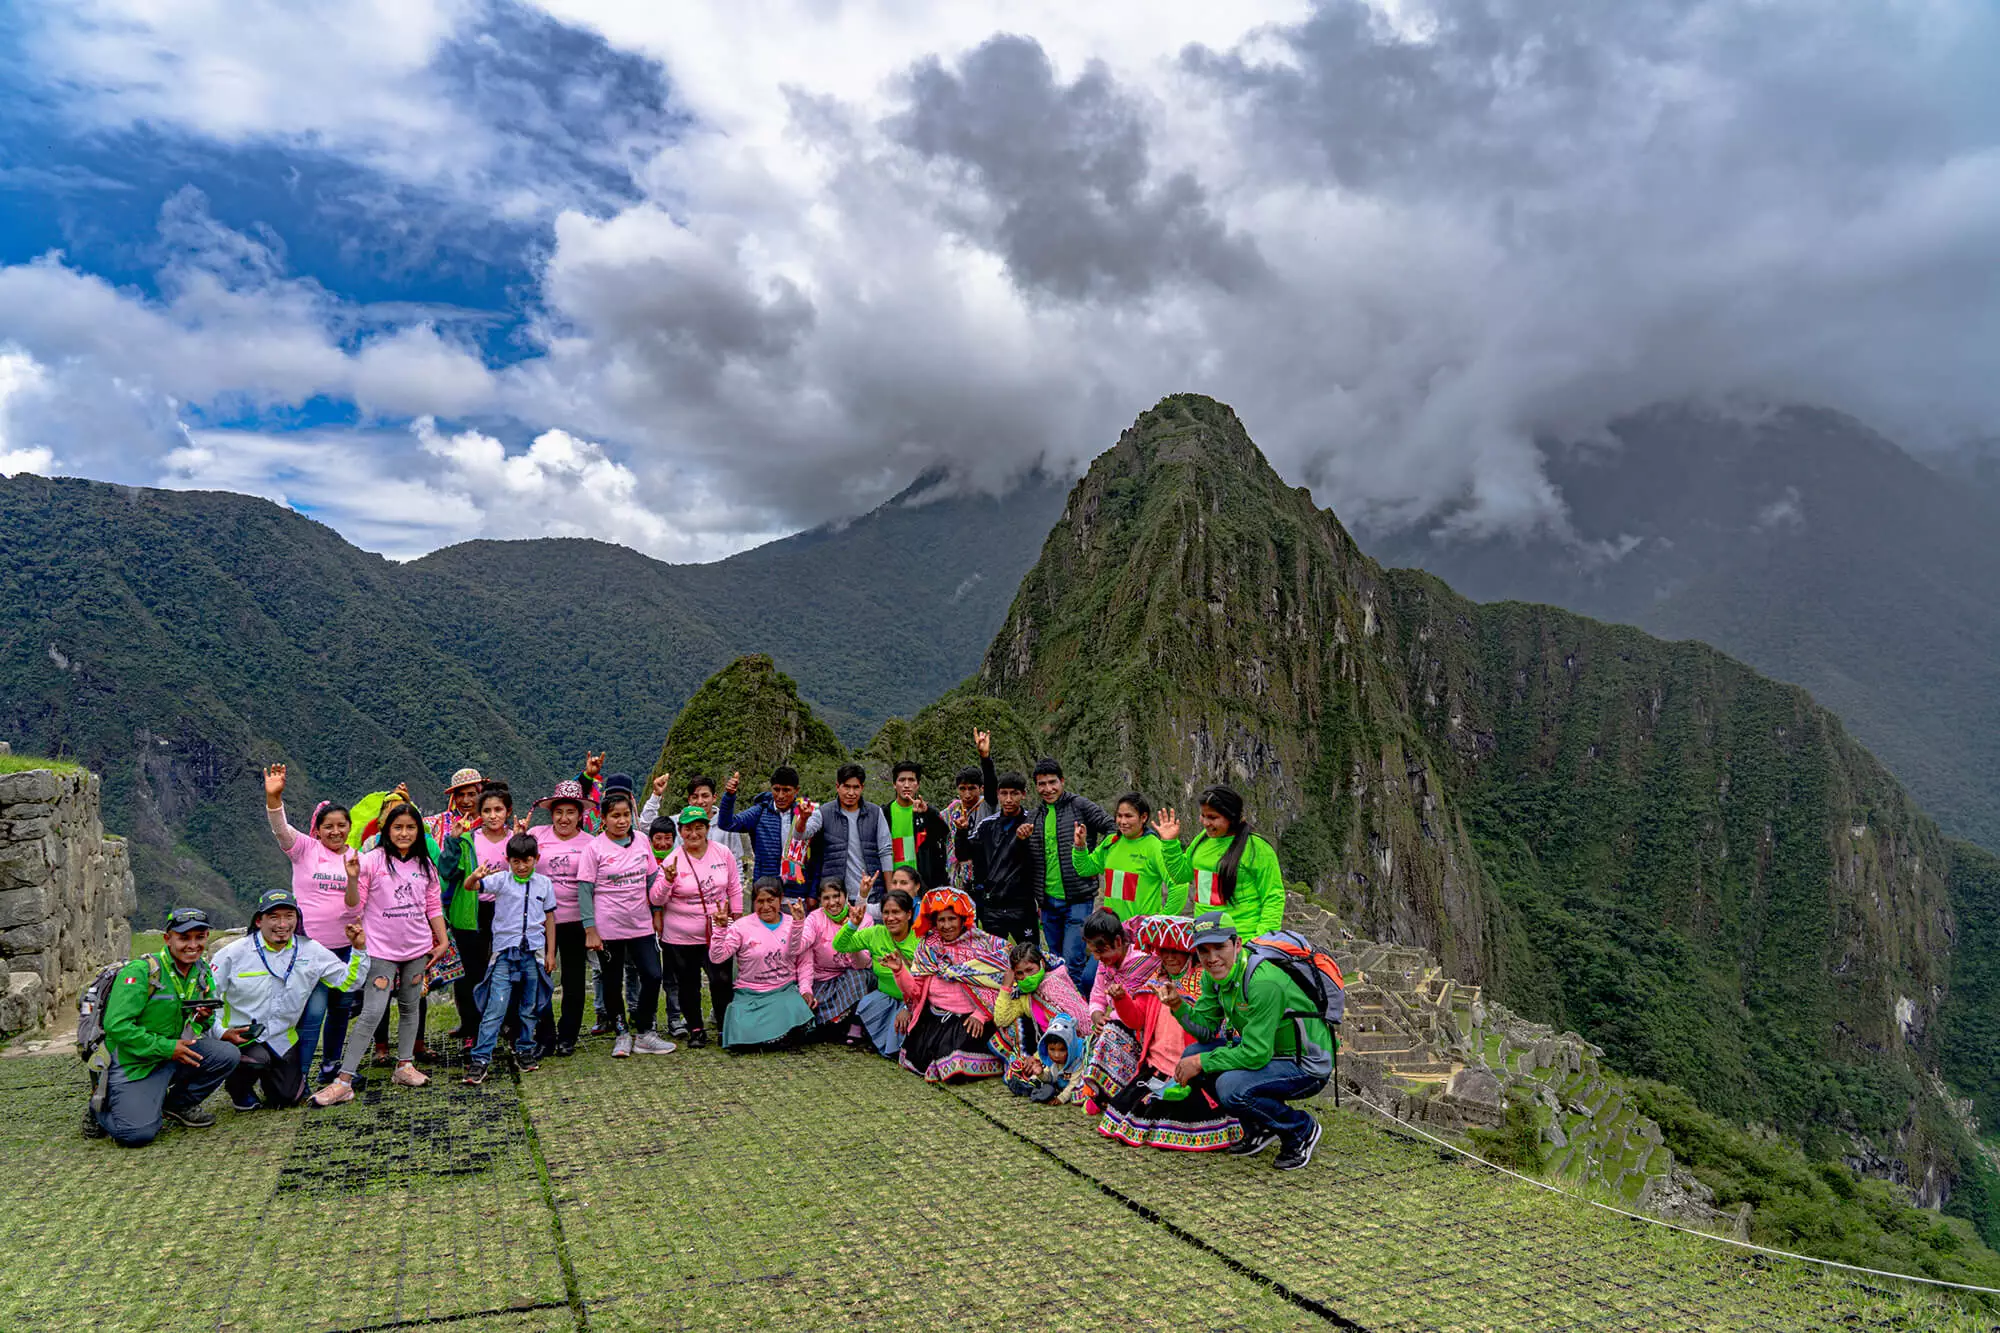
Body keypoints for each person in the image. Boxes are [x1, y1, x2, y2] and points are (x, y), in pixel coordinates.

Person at [1165, 912, 1333, 1171]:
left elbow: (1255, 1054)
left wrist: (1202, 1061)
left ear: (1237, 944)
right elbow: (1207, 1032)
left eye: (1220, 947)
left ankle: (1300, 1129)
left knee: (1231, 1087)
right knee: (1193, 1053)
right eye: (1203, 951)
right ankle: (1258, 1129)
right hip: (1269, 1052)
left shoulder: (1263, 982)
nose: (1212, 959)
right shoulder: (1213, 977)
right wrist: (1177, 1005)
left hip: (1305, 1064)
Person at [311, 802, 449, 1106]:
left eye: (410, 827)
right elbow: (353, 906)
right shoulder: (371, 861)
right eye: (397, 827)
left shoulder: (425, 865)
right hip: (381, 950)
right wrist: (351, 878)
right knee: (372, 1012)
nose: (404, 833)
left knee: (411, 1006)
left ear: (419, 831)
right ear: (386, 830)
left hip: (417, 948)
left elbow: (433, 906)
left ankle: (404, 1065)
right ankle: (344, 1080)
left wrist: (442, 940)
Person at [85, 907, 239, 1146]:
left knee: (226, 1055)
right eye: (184, 938)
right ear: (168, 939)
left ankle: (178, 1105)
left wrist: (201, 1018)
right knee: (137, 1135)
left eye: (200, 937)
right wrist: (168, 1048)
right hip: (134, 1061)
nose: (193, 945)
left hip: (173, 1052)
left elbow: (203, 1023)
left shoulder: (202, 970)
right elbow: (117, 1026)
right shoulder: (141, 972)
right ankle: (100, 1108)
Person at [209, 888, 370, 1111]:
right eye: (273, 917)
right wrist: (221, 1033)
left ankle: (270, 1081)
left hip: (281, 1037)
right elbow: (208, 999)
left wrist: (359, 949)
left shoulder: (310, 951)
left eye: (289, 916)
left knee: (288, 1099)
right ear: (259, 921)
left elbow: (347, 982)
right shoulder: (233, 954)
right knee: (256, 1059)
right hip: (241, 1037)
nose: (282, 924)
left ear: (297, 919)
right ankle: (239, 1090)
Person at [1096, 916, 1241, 1153]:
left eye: (1177, 951)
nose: (1170, 957)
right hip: (1155, 1066)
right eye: (1165, 951)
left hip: (1191, 1066)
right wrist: (1121, 999)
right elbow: (1136, 1020)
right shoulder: (1153, 984)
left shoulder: (1204, 985)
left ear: (1189, 953)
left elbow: (1210, 1029)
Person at [262, 763, 362, 1082]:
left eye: (341, 826)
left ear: (349, 827)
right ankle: (299, 1074)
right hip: (309, 951)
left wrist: (352, 880)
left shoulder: (356, 857)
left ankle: (331, 1065)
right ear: (317, 829)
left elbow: (355, 903)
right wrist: (274, 799)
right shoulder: (305, 849)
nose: (335, 832)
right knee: (313, 1012)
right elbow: (280, 829)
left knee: (340, 1010)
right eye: (328, 826)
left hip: (345, 948)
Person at [463, 834, 559, 1085]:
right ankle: (480, 1059)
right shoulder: (501, 881)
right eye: (516, 861)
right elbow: (470, 887)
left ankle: (524, 1049)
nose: (522, 866)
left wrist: (550, 953)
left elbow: (549, 918)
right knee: (496, 1006)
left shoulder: (544, 884)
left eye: (527, 860)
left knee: (529, 1006)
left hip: (533, 953)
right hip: (505, 953)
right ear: (507, 861)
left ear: (536, 859)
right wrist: (476, 875)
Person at [587, 786, 675, 1057]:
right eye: (615, 815)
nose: (622, 820)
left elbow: (651, 880)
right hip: (609, 926)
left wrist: (663, 892)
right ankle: (621, 1033)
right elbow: (584, 890)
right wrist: (590, 929)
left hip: (640, 923)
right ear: (604, 818)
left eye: (625, 814)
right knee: (612, 981)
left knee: (653, 974)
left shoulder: (640, 840)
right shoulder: (595, 848)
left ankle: (645, 1031)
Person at [890, 888, 1009, 1084]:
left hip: (971, 1019)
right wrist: (899, 971)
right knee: (921, 1059)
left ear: (963, 920)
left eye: (952, 919)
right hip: (936, 1017)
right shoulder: (928, 947)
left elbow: (998, 982)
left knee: (955, 1068)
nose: (946, 926)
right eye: (941, 920)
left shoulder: (983, 944)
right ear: (934, 922)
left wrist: (981, 1015)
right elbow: (915, 991)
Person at [1023, 758, 1115, 992]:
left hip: (1078, 898)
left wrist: (1094, 860)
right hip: (1047, 901)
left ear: (1062, 781)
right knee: (1055, 962)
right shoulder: (1034, 817)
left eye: (1052, 782)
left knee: (1072, 960)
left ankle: (1076, 1017)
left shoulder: (1080, 806)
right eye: (1041, 784)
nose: (1048, 789)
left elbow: (1112, 828)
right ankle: (1064, 1009)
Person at [658, 804, 740, 1048]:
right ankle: (695, 1028)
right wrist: (668, 881)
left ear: (707, 828)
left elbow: (734, 887)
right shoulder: (672, 859)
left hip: (718, 929)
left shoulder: (722, 853)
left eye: (699, 828)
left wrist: (735, 917)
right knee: (687, 983)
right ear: (680, 832)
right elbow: (656, 898)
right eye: (688, 829)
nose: (694, 834)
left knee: (721, 980)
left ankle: (726, 1027)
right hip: (680, 934)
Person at [530, 780, 599, 1057]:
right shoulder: (537, 835)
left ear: (580, 814)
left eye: (570, 812)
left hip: (575, 920)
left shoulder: (591, 844)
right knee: (540, 978)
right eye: (559, 812)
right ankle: (544, 1034)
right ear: (552, 813)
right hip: (540, 920)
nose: (564, 818)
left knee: (572, 980)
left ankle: (567, 1035)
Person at [1159, 787, 1286, 935]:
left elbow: (1273, 896)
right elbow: (1181, 875)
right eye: (1203, 816)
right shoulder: (1202, 840)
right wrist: (1170, 843)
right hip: (1205, 938)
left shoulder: (1256, 847)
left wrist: (1261, 942)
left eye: (1212, 817)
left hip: (1242, 940)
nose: (1205, 823)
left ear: (1231, 817)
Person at [707, 881, 814, 1052]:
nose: (766, 906)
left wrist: (806, 989)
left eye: (771, 900)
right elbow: (717, 957)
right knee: (736, 1014)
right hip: (750, 994)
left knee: (794, 1007)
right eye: (760, 901)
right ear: (754, 902)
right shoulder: (741, 926)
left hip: (783, 991)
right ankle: (771, 1039)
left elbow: (804, 962)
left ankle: (768, 1039)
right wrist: (720, 930)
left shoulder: (795, 923)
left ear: (780, 900)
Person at [450, 781, 518, 1044]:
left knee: (508, 966)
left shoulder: (516, 840)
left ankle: (509, 1022)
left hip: (506, 910)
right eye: (487, 810)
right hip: (474, 910)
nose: (492, 815)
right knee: (471, 971)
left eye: (498, 809)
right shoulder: (469, 840)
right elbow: (450, 870)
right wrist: (453, 843)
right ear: (480, 813)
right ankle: (472, 1025)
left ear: (508, 811)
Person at [1077, 909, 1162, 1109]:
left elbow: (1140, 1009)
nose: (1097, 958)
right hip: (1118, 1023)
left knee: (1111, 1034)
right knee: (1097, 1036)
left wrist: (1111, 1020)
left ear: (1117, 942)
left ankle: (1114, 1092)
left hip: (1144, 1028)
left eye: (1101, 951)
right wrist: (1097, 1015)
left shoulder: (1144, 962)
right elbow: (1098, 995)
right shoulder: (1107, 964)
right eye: (1094, 953)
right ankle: (1100, 1090)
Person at [956, 735, 1037, 943]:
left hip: (1022, 905)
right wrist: (962, 832)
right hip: (992, 905)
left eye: (1014, 794)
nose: (1008, 799)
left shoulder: (1033, 822)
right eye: (1004, 794)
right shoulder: (987, 826)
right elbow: (963, 855)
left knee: (1030, 957)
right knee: (994, 960)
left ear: (1024, 795)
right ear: (998, 795)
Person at [833, 884, 920, 1057]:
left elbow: (926, 982)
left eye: (896, 912)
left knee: (898, 1048)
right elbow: (839, 945)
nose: (890, 918)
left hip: (914, 1001)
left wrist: (908, 1008)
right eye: (886, 913)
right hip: (885, 997)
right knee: (866, 1003)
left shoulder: (919, 939)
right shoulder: (876, 933)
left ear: (908, 914)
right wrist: (852, 924)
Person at [1070, 792, 1178, 924]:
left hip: (1140, 934)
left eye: (1128, 816)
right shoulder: (1111, 842)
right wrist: (1080, 846)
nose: (1122, 821)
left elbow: (1178, 885)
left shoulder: (1154, 847)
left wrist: (1161, 920)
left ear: (1143, 817)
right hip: (1112, 929)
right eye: (1119, 816)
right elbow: (1085, 869)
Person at [787, 879, 875, 1039]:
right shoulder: (814, 919)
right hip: (822, 980)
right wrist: (798, 923)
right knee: (803, 1000)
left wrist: (852, 932)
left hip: (850, 979)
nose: (833, 902)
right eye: (826, 898)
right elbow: (799, 950)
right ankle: (833, 1021)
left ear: (846, 896)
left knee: (861, 978)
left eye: (837, 896)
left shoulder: (864, 919)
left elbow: (862, 964)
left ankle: (847, 1024)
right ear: (820, 900)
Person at [989, 938, 1089, 1077]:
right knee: (1012, 1028)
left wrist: (1038, 1057)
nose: (1026, 977)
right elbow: (1002, 1020)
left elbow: (1069, 1030)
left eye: (1030, 970)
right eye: (1020, 973)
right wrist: (1006, 987)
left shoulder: (1053, 984)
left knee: (1030, 1077)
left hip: (1069, 1046)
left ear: (1041, 964)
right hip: (1048, 1045)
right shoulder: (1024, 993)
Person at [802, 764, 893, 914]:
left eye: (856, 787)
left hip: (871, 894)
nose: (851, 793)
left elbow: (885, 851)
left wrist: (890, 892)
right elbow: (802, 834)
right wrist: (803, 819)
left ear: (862, 787)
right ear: (838, 786)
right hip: (836, 897)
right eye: (846, 787)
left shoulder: (875, 813)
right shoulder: (824, 812)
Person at [716, 766, 812, 896]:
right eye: (776, 789)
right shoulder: (760, 811)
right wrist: (729, 796)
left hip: (797, 892)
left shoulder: (805, 813)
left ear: (796, 790)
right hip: (764, 891)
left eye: (786, 790)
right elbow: (727, 824)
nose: (781, 795)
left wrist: (812, 893)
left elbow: (816, 857)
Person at [941, 738, 996, 896]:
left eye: (972, 788)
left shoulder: (987, 807)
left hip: (984, 876)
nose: (967, 794)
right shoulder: (951, 812)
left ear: (981, 788)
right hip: (956, 878)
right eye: (962, 789)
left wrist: (985, 758)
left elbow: (992, 787)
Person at [883, 760, 949, 887]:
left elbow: (943, 834)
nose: (906, 785)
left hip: (923, 884)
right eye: (901, 780)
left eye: (911, 780)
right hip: (895, 885)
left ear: (918, 785)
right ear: (894, 784)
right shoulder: (884, 814)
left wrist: (927, 813)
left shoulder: (926, 811)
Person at [1006, 1012, 1090, 1104]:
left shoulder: (1076, 1062)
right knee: (1045, 1083)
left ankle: (1037, 1091)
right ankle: (1031, 1088)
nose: (1056, 1055)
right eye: (1052, 1049)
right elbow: (1050, 1077)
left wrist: (1061, 1098)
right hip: (1058, 1084)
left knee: (1080, 1093)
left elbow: (1073, 1084)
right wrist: (1040, 1073)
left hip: (1075, 1084)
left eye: (1062, 1050)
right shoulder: (1050, 1060)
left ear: (1070, 1048)